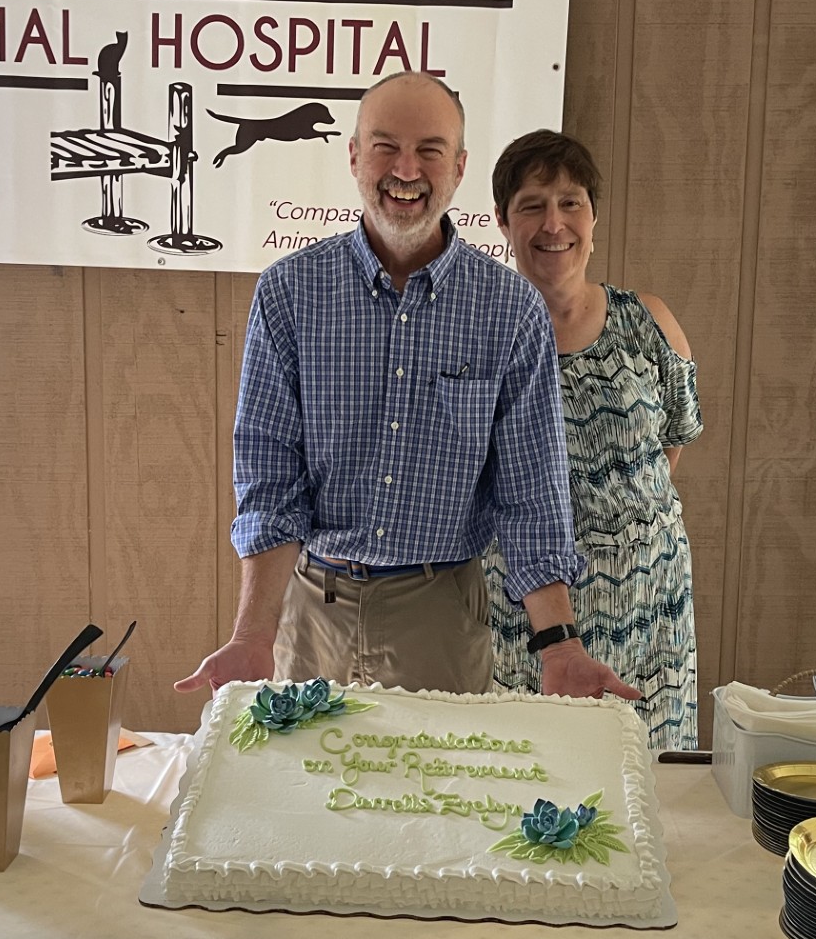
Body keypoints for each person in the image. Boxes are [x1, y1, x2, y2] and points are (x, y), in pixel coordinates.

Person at [176, 72, 639, 703]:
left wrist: (559, 646)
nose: (406, 168)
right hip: (311, 614)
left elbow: (532, 492)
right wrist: (254, 635)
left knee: (439, 798)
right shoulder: (289, 293)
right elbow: (269, 476)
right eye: (385, 146)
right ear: (354, 156)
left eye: (430, 150)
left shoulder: (509, 310)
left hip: (442, 615)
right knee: (312, 792)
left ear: (459, 167)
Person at [482, 131, 704, 750]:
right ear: (502, 221)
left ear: (593, 216)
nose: (554, 223)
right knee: (529, 781)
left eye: (570, 202)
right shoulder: (477, 339)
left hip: (648, 603)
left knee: (641, 778)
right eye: (532, 205)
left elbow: (672, 440)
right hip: (521, 612)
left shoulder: (648, 322)